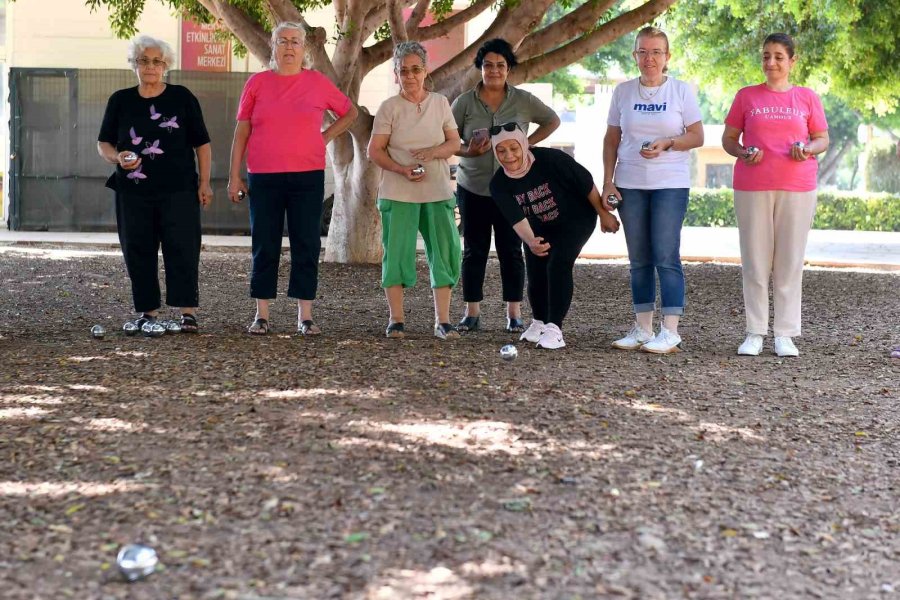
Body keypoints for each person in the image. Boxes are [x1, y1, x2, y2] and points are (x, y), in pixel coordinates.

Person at [228, 22, 358, 335]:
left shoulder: (317, 82)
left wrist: (325, 136)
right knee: (265, 243)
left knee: (306, 243)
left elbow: (350, 112)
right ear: (273, 47)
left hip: (307, 176)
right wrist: (234, 176)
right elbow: (242, 130)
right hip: (263, 176)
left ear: (304, 49)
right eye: (283, 41)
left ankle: (305, 316)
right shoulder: (257, 83)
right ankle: (261, 315)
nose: (289, 47)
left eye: (295, 42)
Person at [722, 33, 829, 357]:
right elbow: (728, 139)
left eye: (779, 57)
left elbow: (822, 139)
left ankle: (784, 333)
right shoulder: (746, 96)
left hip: (797, 187)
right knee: (755, 262)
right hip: (753, 186)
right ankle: (755, 332)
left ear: (792, 61)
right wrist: (742, 152)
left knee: (789, 262)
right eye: (766, 55)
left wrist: (807, 149)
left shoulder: (807, 98)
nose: (771, 62)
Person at [97, 35, 212, 334]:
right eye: (144, 61)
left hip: (180, 189)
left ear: (166, 66)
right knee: (137, 249)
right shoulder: (119, 100)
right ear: (134, 65)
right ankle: (148, 313)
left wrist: (206, 183)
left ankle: (187, 313)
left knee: (183, 248)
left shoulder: (182, 97)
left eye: (156, 61)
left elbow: (202, 144)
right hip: (133, 192)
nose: (150, 66)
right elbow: (103, 143)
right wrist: (117, 158)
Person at [602, 26, 704, 354]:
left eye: (656, 52)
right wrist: (608, 180)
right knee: (639, 258)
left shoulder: (681, 92)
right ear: (634, 56)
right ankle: (643, 328)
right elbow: (612, 139)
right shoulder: (623, 92)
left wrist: (668, 143)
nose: (649, 59)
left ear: (667, 57)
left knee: (665, 255)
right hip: (630, 182)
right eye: (643, 52)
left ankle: (670, 331)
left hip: (670, 184)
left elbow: (697, 136)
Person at [451, 38, 560, 334]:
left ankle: (514, 313)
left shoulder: (523, 100)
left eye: (501, 65)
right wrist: (467, 150)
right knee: (474, 250)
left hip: (513, 189)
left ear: (508, 68)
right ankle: (471, 312)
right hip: (472, 186)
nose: (494, 70)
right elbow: (446, 138)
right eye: (488, 65)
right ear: (480, 68)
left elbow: (552, 120)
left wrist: (528, 146)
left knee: (512, 249)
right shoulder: (464, 102)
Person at [490, 123, 620, 349]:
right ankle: (539, 322)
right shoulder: (499, 183)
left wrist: (602, 214)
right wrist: (531, 241)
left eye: (514, 148)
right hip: (539, 225)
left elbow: (585, 182)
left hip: (575, 218)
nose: (509, 156)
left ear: (524, 145)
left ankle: (554, 328)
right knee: (536, 266)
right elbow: (515, 217)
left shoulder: (551, 160)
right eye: (501, 151)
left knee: (558, 264)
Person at [367, 41, 462, 340]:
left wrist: (433, 153)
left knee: (445, 253)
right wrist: (402, 169)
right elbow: (375, 150)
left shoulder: (440, 103)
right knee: (395, 255)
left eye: (415, 70)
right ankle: (396, 321)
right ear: (396, 74)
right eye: (403, 71)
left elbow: (454, 144)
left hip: (437, 191)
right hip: (398, 192)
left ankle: (443, 322)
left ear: (425, 70)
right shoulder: (388, 108)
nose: (409, 76)